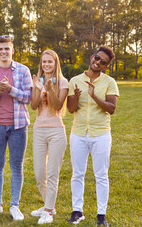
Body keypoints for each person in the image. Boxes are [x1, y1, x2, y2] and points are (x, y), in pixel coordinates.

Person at [0, 35, 33, 221]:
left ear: (13, 50)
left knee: (17, 166)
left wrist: (10, 89)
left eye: (7, 49)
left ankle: (15, 206)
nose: (3, 52)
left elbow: (28, 98)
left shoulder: (23, 71)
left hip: (18, 126)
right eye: (0, 49)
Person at [67, 46, 119, 226]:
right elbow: (71, 109)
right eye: (97, 58)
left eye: (103, 62)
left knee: (101, 175)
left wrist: (95, 96)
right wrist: (76, 96)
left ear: (106, 66)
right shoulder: (75, 80)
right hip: (79, 133)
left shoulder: (109, 82)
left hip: (101, 134)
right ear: (92, 57)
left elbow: (111, 109)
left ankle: (101, 215)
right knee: (77, 173)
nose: (98, 62)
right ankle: (77, 211)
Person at [30, 49, 68, 224]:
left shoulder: (62, 82)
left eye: (49, 62)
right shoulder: (37, 81)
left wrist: (50, 88)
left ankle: (48, 211)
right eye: (43, 62)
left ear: (55, 63)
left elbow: (59, 105)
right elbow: (33, 106)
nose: (46, 64)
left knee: (52, 173)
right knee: (39, 174)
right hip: (39, 130)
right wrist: (38, 89)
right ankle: (49, 205)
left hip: (56, 131)